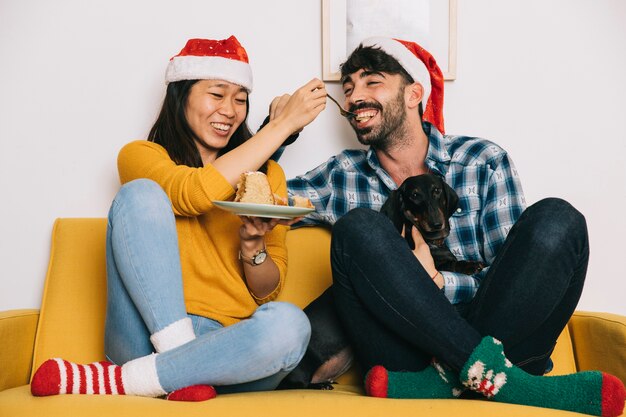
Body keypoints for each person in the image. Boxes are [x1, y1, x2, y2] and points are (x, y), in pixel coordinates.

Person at [284, 37, 625, 416]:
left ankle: (449, 380)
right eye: (347, 90)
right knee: (360, 226)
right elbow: (247, 195)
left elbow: (513, 279)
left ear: (414, 94)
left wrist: (440, 282)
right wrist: (281, 127)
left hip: (500, 333)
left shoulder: (483, 161)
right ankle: (508, 384)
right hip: (406, 350)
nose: (353, 97)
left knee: (559, 219)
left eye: (372, 82)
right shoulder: (341, 174)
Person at [30, 36, 327, 401]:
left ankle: (128, 380)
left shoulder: (267, 178)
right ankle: (176, 363)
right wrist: (280, 127)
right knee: (138, 195)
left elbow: (266, 291)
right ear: (181, 95)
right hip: (140, 339)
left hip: (224, 350)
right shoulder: (142, 156)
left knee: (291, 325)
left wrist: (253, 243)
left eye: (240, 99)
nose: (231, 111)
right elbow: (195, 195)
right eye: (216, 94)